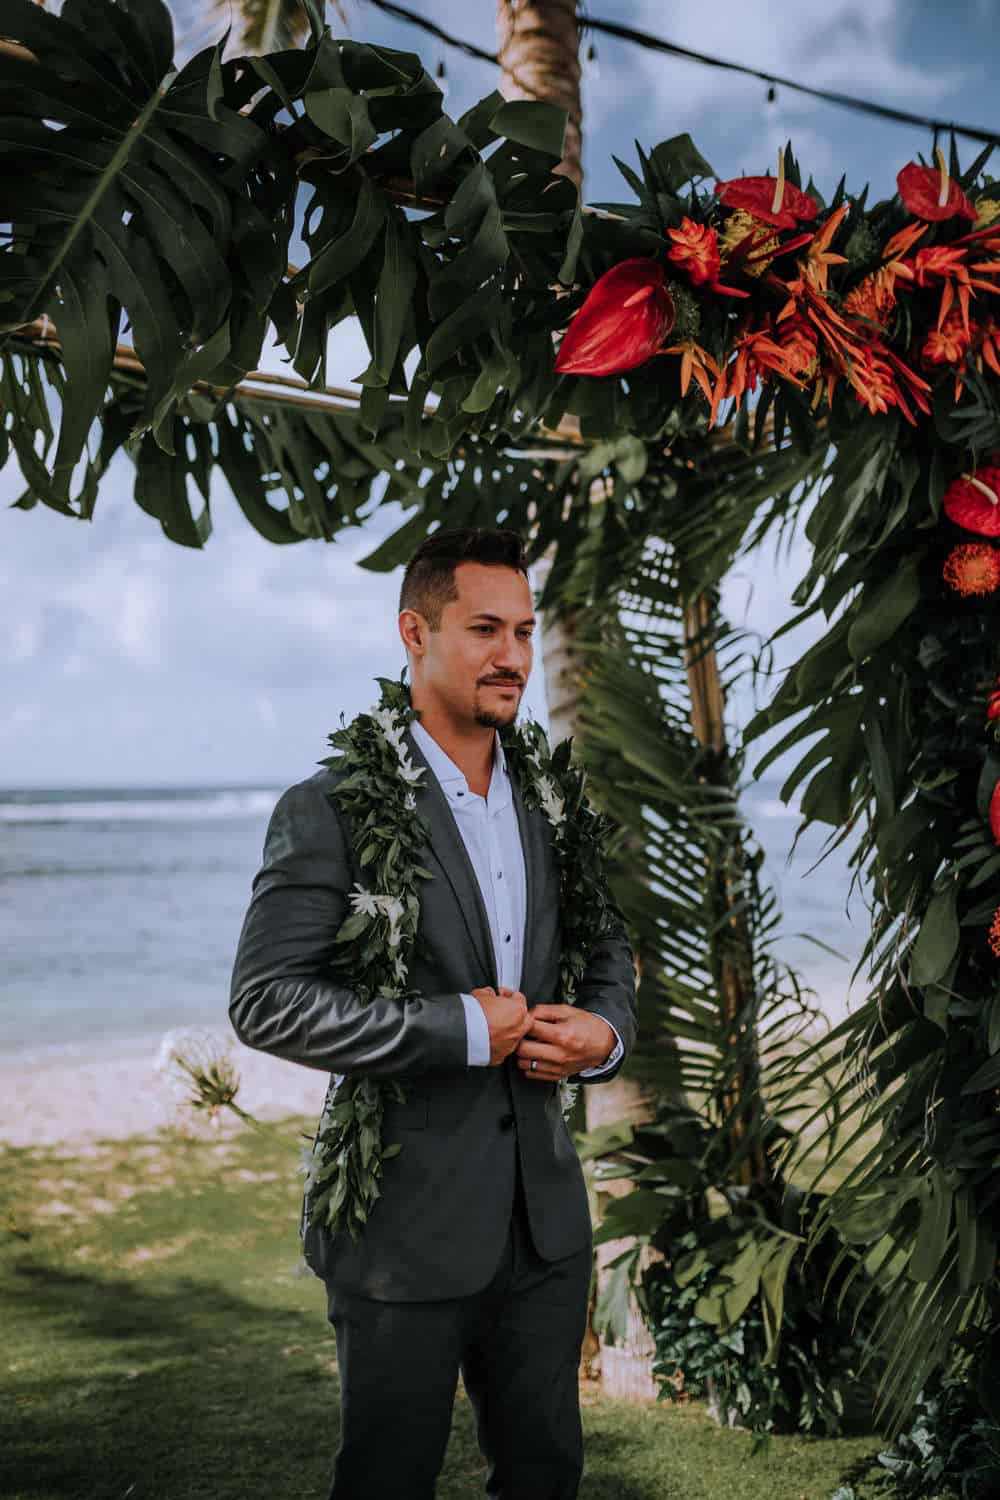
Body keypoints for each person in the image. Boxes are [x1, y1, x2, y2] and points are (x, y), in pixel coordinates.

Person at [229, 526, 637, 1499]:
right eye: (485, 629)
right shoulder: (330, 807)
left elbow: (606, 950)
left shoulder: (554, 802)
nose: (513, 656)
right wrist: (458, 1030)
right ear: (415, 633)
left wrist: (604, 1034)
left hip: (543, 1226)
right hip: (400, 1232)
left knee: (545, 1477)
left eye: (524, 632)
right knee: (387, 1481)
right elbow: (266, 1000)